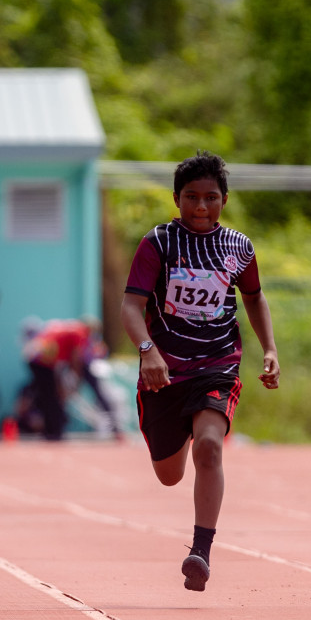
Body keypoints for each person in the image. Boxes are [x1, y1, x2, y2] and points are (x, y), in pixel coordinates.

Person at [122, 151, 279, 592]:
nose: (201, 207)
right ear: (177, 199)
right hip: (165, 372)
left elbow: (254, 297)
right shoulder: (158, 243)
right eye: (192, 197)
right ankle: (180, 424)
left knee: (209, 448)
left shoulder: (238, 247)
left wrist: (270, 348)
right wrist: (148, 351)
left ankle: (200, 552)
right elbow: (130, 306)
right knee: (169, 474)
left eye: (211, 197)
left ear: (224, 200)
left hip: (217, 364)